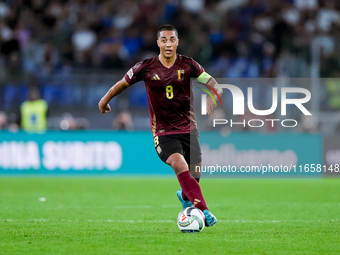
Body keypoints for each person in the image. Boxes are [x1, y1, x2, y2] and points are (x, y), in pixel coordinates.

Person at [98, 24, 222, 227]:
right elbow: (122, 83)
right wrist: (104, 100)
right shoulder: (145, 67)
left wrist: (212, 98)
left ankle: (185, 196)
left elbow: (214, 84)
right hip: (164, 132)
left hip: (189, 129)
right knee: (179, 164)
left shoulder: (189, 65)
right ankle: (204, 211)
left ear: (177, 42)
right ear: (158, 43)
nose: (168, 43)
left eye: (171, 39)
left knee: (195, 175)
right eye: (163, 40)